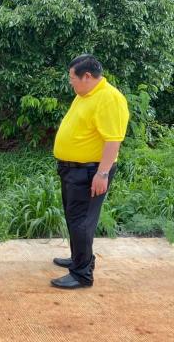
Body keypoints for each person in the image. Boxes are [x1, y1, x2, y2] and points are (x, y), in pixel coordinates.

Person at [51, 54, 129, 289]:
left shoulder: (109, 98)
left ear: (87, 76)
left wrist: (102, 174)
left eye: (73, 78)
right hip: (72, 170)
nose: (71, 82)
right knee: (74, 218)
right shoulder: (85, 94)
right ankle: (79, 259)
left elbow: (113, 140)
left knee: (82, 221)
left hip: (90, 172)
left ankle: (82, 273)